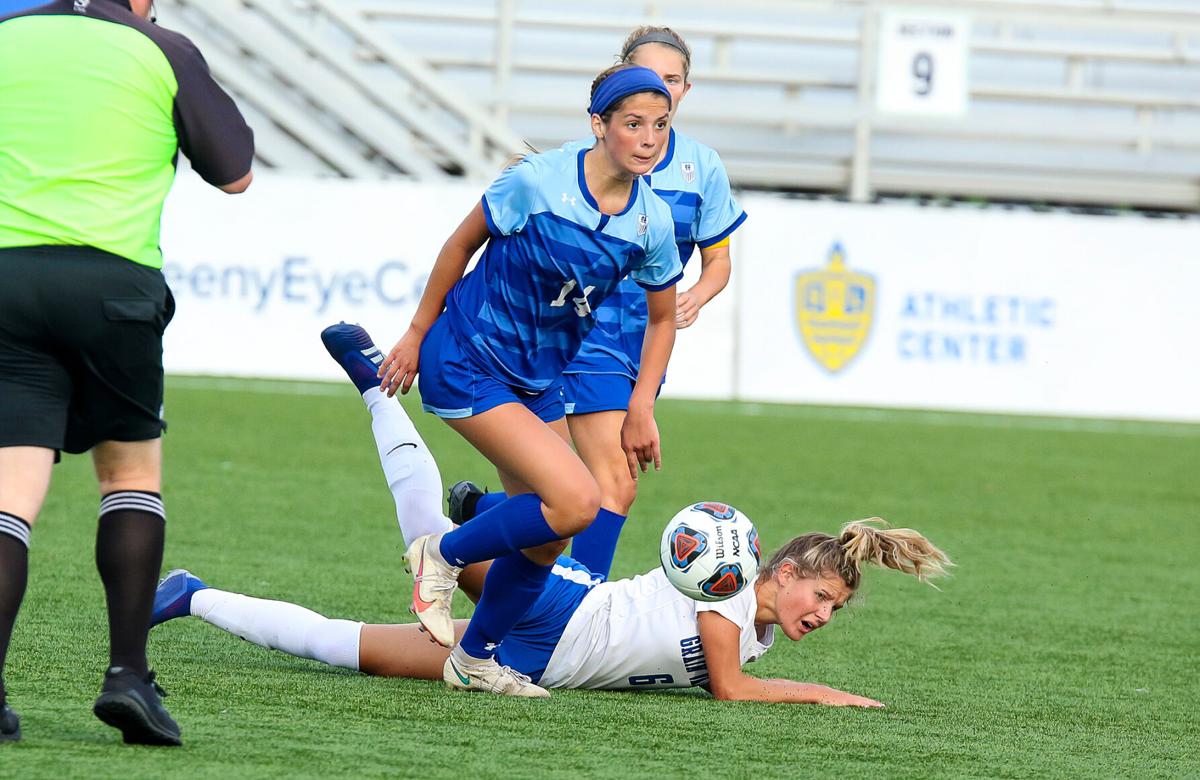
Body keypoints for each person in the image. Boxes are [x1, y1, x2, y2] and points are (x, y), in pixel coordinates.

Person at [149, 334, 953, 703]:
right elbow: (733, 692)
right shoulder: (728, 598)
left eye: (835, 610)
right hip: (554, 619)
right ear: (781, 569)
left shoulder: (754, 618)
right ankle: (394, 408)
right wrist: (824, 697)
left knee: (348, 642)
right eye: (822, 595)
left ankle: (191, 595)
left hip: (554, 637)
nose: (823, 613)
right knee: (416, 554)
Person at [368, 65, 682, 697]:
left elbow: (663, 317)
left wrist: (641, 404)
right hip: (467, 356)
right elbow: (460, 246)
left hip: (538, 379)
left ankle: (475, 657)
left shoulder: (651, 222)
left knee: (551, 529)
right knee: (578, 499)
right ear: (599, 126)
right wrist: (414, 333)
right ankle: (444, 553)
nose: (649, 138)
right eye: (633, 124)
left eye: (661, 125)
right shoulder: (537, 183)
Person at [0, 0, 254, 746]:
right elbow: (235, 173)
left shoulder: (7, 36)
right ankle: (128, 677)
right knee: (129, 478)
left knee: (10, 491)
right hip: (112, 287)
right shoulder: (159, 47)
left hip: (8, 278)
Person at [451, 27, 747, 580]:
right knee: (614, 483)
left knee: (576, 492)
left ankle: (479, 517)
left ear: (686, 89)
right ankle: (576, 611)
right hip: (589, 334)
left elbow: (719, 262)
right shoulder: (592, 162)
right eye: (649, 77)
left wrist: (695, 299)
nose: (660, 88)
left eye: (673, 80)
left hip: (644, 340)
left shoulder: (702, 167)